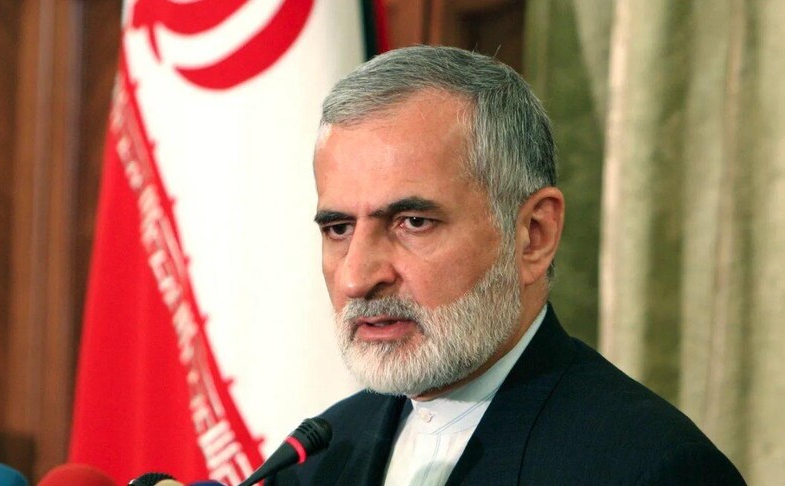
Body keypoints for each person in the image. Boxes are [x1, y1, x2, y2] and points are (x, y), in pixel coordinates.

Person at [269, 46, 745, 485]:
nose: (356, 278)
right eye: (338, 228)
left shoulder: (651, 468)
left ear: (534, 235)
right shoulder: (316, 458)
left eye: (413, 222)